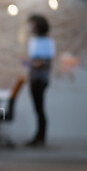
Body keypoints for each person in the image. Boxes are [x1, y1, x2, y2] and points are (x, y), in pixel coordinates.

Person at [25, 14, 55, 147]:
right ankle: (38, 136)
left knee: (40, 108)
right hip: (34, 78)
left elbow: (43, 62)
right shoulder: (35, 41)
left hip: (40, 79)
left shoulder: (46, 42)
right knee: (38, 108)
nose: (31, 28)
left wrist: (30, 64)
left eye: (33, 25)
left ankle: (40, 137)